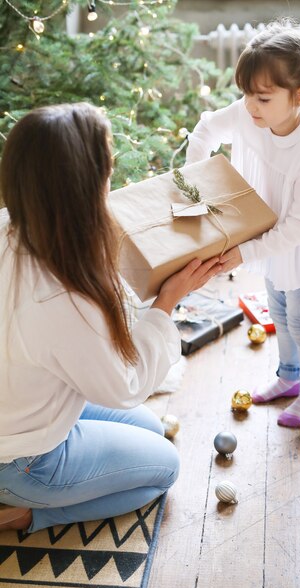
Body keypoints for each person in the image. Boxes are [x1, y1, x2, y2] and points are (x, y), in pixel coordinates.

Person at [0, 102, 221, 533]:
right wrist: (167, 302)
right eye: (107, 169)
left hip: (21, 413)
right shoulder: (59, 296)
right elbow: (125, 385)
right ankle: (23, 513)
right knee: (164, 467)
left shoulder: (12, 224)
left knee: (151, 429)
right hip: (21, 460)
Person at [186, 19, 300, 428]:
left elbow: (297, 228)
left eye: (262, 97)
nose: (250, 106)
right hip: (269, 238)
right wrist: (194, 183)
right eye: (246, 95)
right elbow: (205, 131)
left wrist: (241, 252)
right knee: (277, 308)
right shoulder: (248, 113)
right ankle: (289, 379)